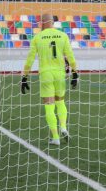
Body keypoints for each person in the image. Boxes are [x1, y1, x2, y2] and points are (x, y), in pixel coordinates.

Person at [21, 13, 78, 146]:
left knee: (49, 105)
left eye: (41, 22)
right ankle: (63, 127)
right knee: (60, 101)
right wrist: (75, 73)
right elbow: (70, 56)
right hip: (60, 74)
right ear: (52, 22)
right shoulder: (63, 36)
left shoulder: (37, 37)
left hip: (46, 74)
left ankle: (56, 137)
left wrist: (24, 77)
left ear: (44, 22)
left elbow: (30, 59)